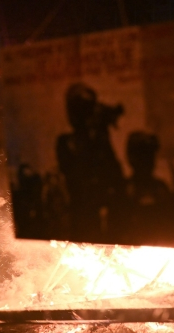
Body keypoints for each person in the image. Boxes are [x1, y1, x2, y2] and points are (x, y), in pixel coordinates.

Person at [56, 83, 125, 243]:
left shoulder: (98, 140)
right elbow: (75, 174)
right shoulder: (67, 143)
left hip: (106, 219)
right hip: (82, 216)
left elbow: (115, 174)